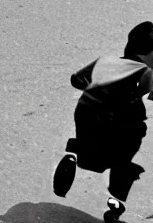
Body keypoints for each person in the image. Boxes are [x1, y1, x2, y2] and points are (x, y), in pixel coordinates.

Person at [53, 22, 153, 222]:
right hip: (120, 122)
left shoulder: (105, 60)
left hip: (86, 114)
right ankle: (114, 211)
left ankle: (75, 152)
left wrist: (102, 87)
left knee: (93, 149)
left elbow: (76, 80)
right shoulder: (147, 72)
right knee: (123, 164)